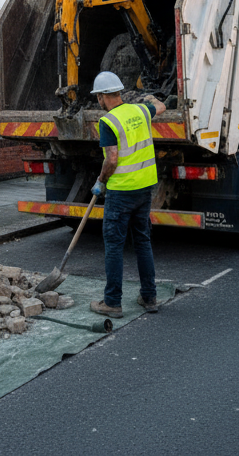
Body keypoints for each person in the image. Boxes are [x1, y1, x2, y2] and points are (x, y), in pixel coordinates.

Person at [88, 71, 166, 318]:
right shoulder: (140, 111)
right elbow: (161, 106)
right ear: (119, 92)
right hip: (144, 188)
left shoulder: (108, 122)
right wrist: (151, 97)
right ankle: (149, 297)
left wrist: (101, 181)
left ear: (102, 97)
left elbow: (112, 158)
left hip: (121, 192)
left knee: (114, 245)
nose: (98, 101)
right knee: (142, 241)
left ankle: (112, 302)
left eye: (98, 97)